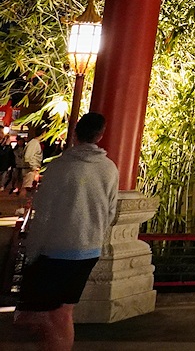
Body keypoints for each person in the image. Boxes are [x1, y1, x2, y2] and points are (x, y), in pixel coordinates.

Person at [13, 113, 119, 351]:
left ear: (74, 134)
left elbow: (43, 213)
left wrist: (32, 249)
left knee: (53, 314)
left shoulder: (59, 167)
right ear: (100, 136)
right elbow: (111, 210)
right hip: (89, 249)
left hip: (56, 249)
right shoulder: (110, 168)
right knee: (62, 311)